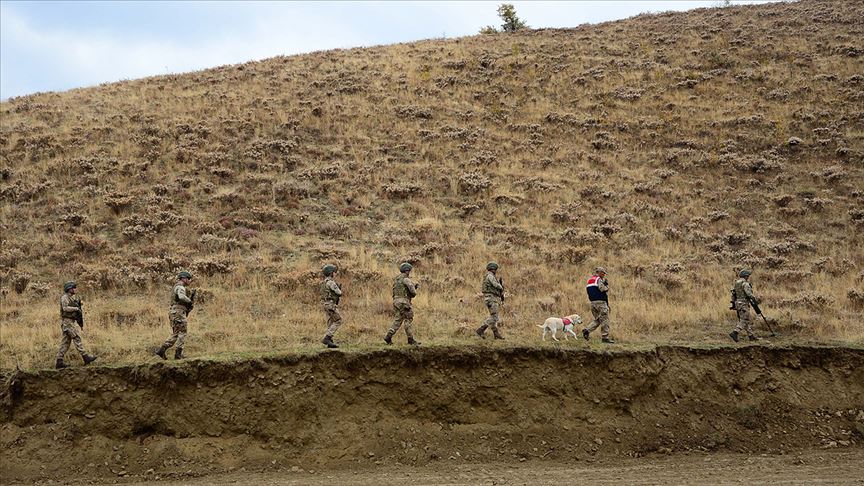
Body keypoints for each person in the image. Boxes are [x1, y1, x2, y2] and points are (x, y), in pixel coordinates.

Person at [55, 281, 97, 369]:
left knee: (65, 343)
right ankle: (85, 357)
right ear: (69, 289)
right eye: (74, 288)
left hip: (69, 322)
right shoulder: (64, 298)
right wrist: (76, 308)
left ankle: (59, 361)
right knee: (76, 337)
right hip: (67, 322)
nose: (75, 289)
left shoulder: (71, 298)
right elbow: (65, 308)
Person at [155, 271, 195, 360]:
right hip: (178, 312)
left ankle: (161, 350)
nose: (189, 280)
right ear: (183, 278)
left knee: (176, 333)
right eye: (188, 279)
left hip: (174, 312)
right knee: (182, 332)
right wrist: (189, 301)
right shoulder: (180, 287)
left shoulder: (177, 287)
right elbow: (181, 297)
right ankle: (178, 354)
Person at [384, 262, 420, 345]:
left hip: (396, 302)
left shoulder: (397, 280)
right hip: (404, 302)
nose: (410, 272)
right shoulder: (406, 279)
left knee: (398, 320)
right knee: (408, 319)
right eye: (409, 271)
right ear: (407, 271)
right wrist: (415, 288)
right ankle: (410, 340)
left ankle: (388, 337)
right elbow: (413, 292)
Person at [582, 266, 614, 343]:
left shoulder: (590, 280)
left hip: (593, 303)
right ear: (599, 272)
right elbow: (602, 289)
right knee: (605, 320)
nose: (604, 275)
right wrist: (606, 286)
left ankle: (587, 330)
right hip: (601, 303)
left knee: (599, 320)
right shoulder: (599, 279)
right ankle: (605, 337)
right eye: (603, 273)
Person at [476, 262, 505, 340]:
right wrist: (501, 287)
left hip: (490, 298)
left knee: (494, 316)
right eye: (495, 269)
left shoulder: (489, 276)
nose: (496, 271)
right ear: (493, 269)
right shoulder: (490, 276)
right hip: (492, 298)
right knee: (494, 317)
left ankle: (496, 333)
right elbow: (495, 284)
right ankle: (480, 330)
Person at [729, 269, 759, 342]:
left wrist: (733, 303)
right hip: (744, 303)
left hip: (737, 303)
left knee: (745, 319)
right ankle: (735, 332)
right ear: (746, 276)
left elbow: (733, 294)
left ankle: (751, 336)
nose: (748, 277)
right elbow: (749, 294)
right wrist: (755, 299)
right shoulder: (745, 284)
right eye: (748, 276)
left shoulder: (737, 283)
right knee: (744, 320)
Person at [320, 264, 343, 349]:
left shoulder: (324, 282)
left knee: (330, 322)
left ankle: (330, 342)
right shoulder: (331, 282)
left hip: (325, 304)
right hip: (330, 304)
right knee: (338, 320)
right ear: (331, 273)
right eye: (334, 272)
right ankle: (327, 338)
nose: (335, 273)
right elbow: (339, 293)